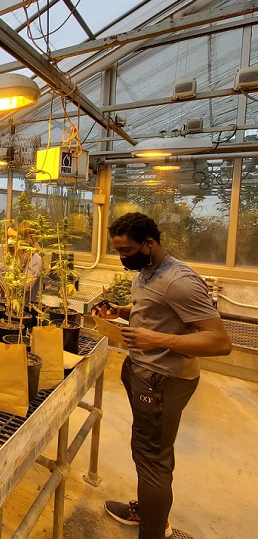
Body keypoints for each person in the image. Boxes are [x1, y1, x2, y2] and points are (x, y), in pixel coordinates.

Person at [93, 212, 231, 539]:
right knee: (146, 451)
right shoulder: (146, 271)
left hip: (162, 380)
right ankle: (146, 511)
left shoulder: (179, 281)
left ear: (149, 243)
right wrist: (122, 312)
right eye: (118, 250)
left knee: (152, 460)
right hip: (143, 372)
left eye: (126, 250)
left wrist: (157, 339)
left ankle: (152, 531)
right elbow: (153, 311)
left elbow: (219, 341)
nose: (121, 257)